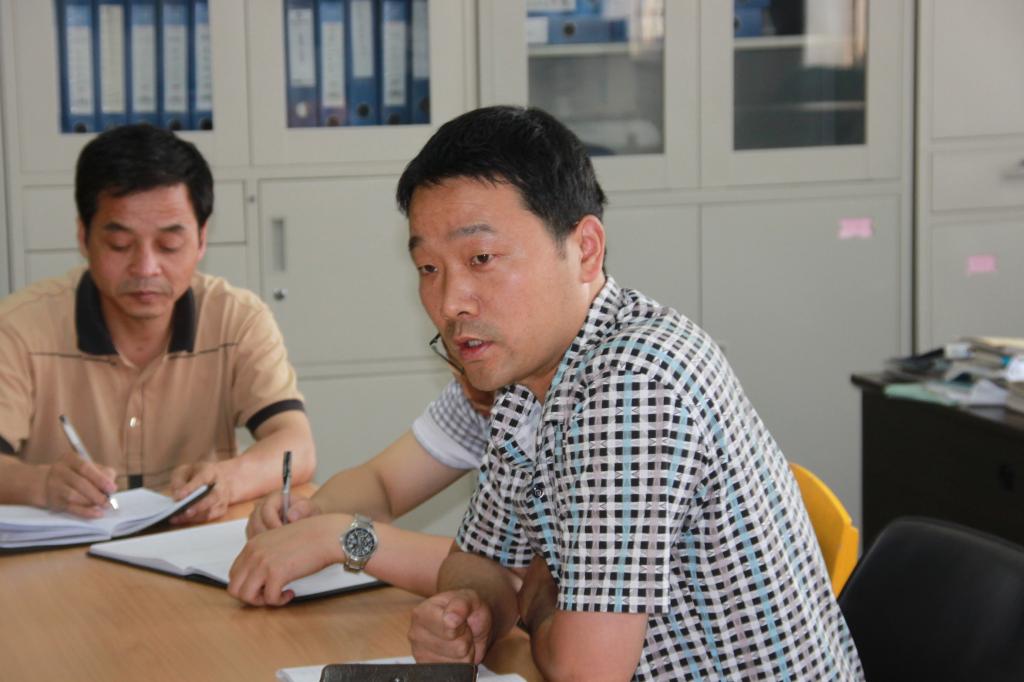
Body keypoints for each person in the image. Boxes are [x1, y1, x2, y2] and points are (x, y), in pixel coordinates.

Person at [398, 106, 864, 681]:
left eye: (481, 259)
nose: (450, 303)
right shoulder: (526, 376)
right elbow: (478, 559)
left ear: (585, 250)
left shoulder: (634, 380)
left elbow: (586, 673)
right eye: (428, 268)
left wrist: (537, 602)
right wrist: (472, 609)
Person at [0, 124, 315, 523]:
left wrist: (227, 480)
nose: (146, 268)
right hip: (66, 552)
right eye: (120, 245)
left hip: (189, 543)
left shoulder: (237, 320)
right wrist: (42, 484)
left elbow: (296, 445)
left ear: (201, 239)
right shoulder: (18, 329)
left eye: (169, 245)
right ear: (83, 236)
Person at [228, 371, 499, 602]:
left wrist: (341, 538)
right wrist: (313, 513)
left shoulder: (501, 380)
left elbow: (504, 572)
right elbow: (382, 484)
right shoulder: (476, 386)